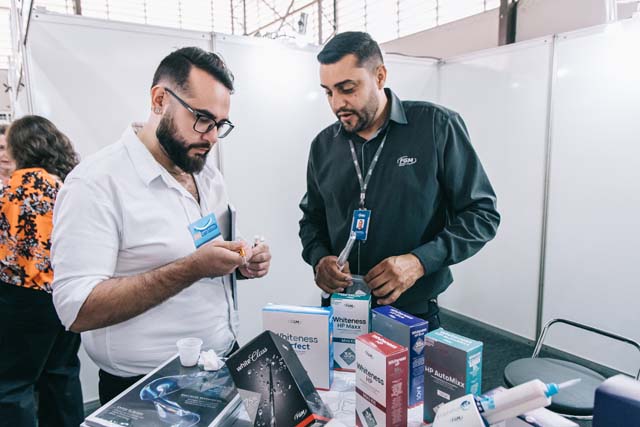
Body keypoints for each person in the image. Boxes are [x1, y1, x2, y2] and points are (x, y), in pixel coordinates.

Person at [51, 47, 271, 404]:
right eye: (202, 119)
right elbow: (76, 309)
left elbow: (199, 250)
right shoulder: (96, 183)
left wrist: (239, 263)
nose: (212, 136)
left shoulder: (207, 176)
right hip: (144, 390)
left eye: (220, 124)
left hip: (221, 365)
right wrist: (192, 268)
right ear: (159, 100)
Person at [299, 32, 500, 330]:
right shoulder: (323, 146)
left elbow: (482, 215)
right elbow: (311, 220)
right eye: (328, 92)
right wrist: (319, 259)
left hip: (412, 313)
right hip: (341, 310)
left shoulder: (435, 126)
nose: (337, 103)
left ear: (380, 76)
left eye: (347, 89)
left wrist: (419, 262)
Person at [0, 116, 83, 426]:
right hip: (66, 293)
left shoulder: (12, 189)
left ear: (18, 148)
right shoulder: (65, 185)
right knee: (61, 375)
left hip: (20, 297)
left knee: (12, 385)